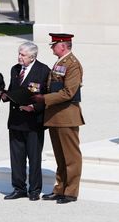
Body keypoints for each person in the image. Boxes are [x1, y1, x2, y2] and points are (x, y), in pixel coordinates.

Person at [32, 33, 85, 204]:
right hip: (55, 115)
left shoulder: (73, 65)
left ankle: (71, 192)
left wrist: (44, 99)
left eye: (53, 44)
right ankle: (60, 188)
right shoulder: (60, 63)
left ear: (63, 45)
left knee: (71, 156)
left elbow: (69, 92)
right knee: (60, 156)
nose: (51, 47)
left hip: (67, 116)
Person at [1, 42, 50, 201]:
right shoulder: (15, 69)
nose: (19, 57)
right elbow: (13, 90)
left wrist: (34, 107)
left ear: (32, 56)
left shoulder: (43, 71)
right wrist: (4, 95)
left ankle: (34, 189)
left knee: (34, 157)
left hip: (33, 122)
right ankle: (19, 188)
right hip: (16, 120)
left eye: (23, 55)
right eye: (19, 54)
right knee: (16, 157)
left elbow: (47, 97)